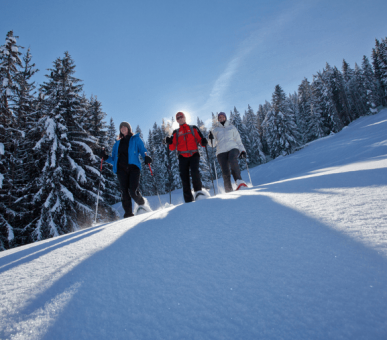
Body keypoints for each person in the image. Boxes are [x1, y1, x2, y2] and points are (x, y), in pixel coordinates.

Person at [102, 122, 152, 217]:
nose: (123, 128)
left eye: (125, 126)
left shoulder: (135, 139)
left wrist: (146, 156)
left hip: (133, 168)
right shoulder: (117, 143)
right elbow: (114, 159)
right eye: (121, 127)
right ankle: (128, 214)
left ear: (129, 128)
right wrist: (105, 157)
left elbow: (142, 149)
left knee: (133, 190)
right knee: (124, 192)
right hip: (121, 170)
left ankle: (142, 205)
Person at [165, 111, 209, 203]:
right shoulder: (176, 132)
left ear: (185, 117)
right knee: (184, 178)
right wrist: (169, 142)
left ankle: (198, 193)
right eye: (178, 118)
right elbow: (172, 147)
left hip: (194, 154)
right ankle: (188, 200)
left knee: (195, 173)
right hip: (182, 157)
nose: (180, 118)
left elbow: (201, 140)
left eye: (181, 116)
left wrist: (204, 142)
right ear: (177, 120)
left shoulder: (193, 128)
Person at [208, 112, 247, 192]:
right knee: (225, 170)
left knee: (233, 160)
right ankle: (228, 189)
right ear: (218, 119)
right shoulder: (215, 130)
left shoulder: (231, 127)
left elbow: (238, 140)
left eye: (223, 117)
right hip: (221, 151)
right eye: (220, 117)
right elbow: (212, 145)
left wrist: (242, 150)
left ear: (225, 118)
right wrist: (210, 138)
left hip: (233, 148)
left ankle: (239, 182)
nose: (221, 118)